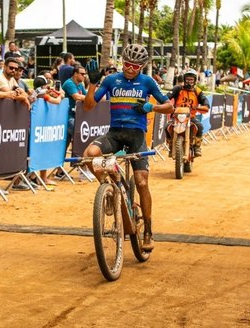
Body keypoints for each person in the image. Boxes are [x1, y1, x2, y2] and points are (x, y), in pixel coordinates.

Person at [83, 44, 173, 252]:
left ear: (142, 66)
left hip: (136, 136)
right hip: (114, 133)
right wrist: (93, 84)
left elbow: (169, 106)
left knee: (141, 182)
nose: (129, 68)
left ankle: (148, 231)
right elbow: (88, 106)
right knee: (90, 156)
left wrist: (152, 107)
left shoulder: (148, 82)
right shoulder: (112, 80)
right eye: (126, 64)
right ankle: (110, 189)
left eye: (134, 65)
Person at [165, 68, 209, 157]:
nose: (189, 81)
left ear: (195, 80)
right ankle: (170, 146)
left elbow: (205, 102)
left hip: (191, 117)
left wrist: (203, 107)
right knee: (167, 127)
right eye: (187, 79)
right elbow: (167, 96)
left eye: (191, 79)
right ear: (184, 79)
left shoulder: (198, 91)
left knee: (200, 126)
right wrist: (165, 102)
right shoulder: (178, 88)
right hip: (176, 116)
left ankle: (197, 147)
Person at [61, 64, 87, 152]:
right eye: (82, 74)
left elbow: (86, 96)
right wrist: (93, 98)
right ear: (75, 74)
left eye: (85, 74)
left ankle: (75, 162)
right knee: (79, 136)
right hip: (66, 116)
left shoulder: (80, 84)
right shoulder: (69, 83)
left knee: (67, 142)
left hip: (75, 115)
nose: (84, 76)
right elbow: (77, 97)